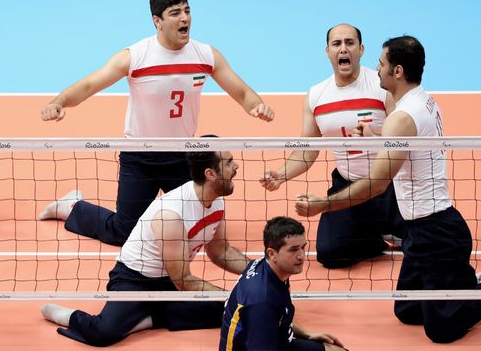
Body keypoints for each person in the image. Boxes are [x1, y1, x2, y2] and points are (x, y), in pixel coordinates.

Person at [293, 35, 481, 343]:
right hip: (417, 230)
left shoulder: (401, 118)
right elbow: (405, 140)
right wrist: (377, 132)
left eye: (382, 63)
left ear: (398, 71)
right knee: (407, 309)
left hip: (437, 233)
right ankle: (463, 285)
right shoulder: (420, 100)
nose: (377, 69)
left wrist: (323, 204)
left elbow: (376, 185)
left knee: (440, 331)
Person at [39, 0, 274, 246]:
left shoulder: (205, 55)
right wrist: (58, 102)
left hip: (183, 156)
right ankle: (72, 206)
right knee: (124, 233)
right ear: (157, 21)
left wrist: (257, 106)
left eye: (187, 11)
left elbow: (240, 91)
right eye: (175, 13)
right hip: (140, 156)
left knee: (193, 232)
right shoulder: (136, 56)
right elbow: (89, 85)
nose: (184, 18)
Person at [41, 144, 251, 346]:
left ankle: (146, 319)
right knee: (103, 333)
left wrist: (259, 269)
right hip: (135, 278)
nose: (236, 166)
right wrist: (230, 297)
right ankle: (66, 315)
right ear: (210, 174)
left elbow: (220, 251)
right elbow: (184, 281)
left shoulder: (216, 198)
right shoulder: (171, 215)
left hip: (168, 279)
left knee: (227, 311)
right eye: (229, 162)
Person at [261, 23, 404, 269]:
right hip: (348, 186)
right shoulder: (317, 96)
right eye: (337, 44)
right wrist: (280, 175)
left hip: (389, 185)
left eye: (350, 43)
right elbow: (308, 149)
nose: (343, 49)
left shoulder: (383, 88)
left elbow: (403, 140)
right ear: (328, 51)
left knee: (420, 243)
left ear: (361, 49)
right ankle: (376, 236)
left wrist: (375, 136)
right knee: (329, 254)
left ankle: (389, 228)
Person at [220, 217, 346, 351]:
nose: (301, 256)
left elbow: (278, 317)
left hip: (276, 340)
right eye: (293, 250)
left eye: (303, 247)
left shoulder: (270, 267)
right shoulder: (262, 302)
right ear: (272, 253)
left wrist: (306, 334)